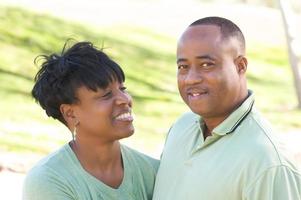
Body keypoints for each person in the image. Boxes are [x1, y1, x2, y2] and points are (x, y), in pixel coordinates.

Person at [153, 16, 301, 200]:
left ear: (240, 66)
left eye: (206, 65)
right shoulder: (181, 127)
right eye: (183, 67)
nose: (191, 78)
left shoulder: (267, 161)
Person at [23, 41, 159, 200]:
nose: (124, 99)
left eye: (122, 89)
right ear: (70, 113)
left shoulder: (152, 172)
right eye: (106, 95)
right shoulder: (48, 180)